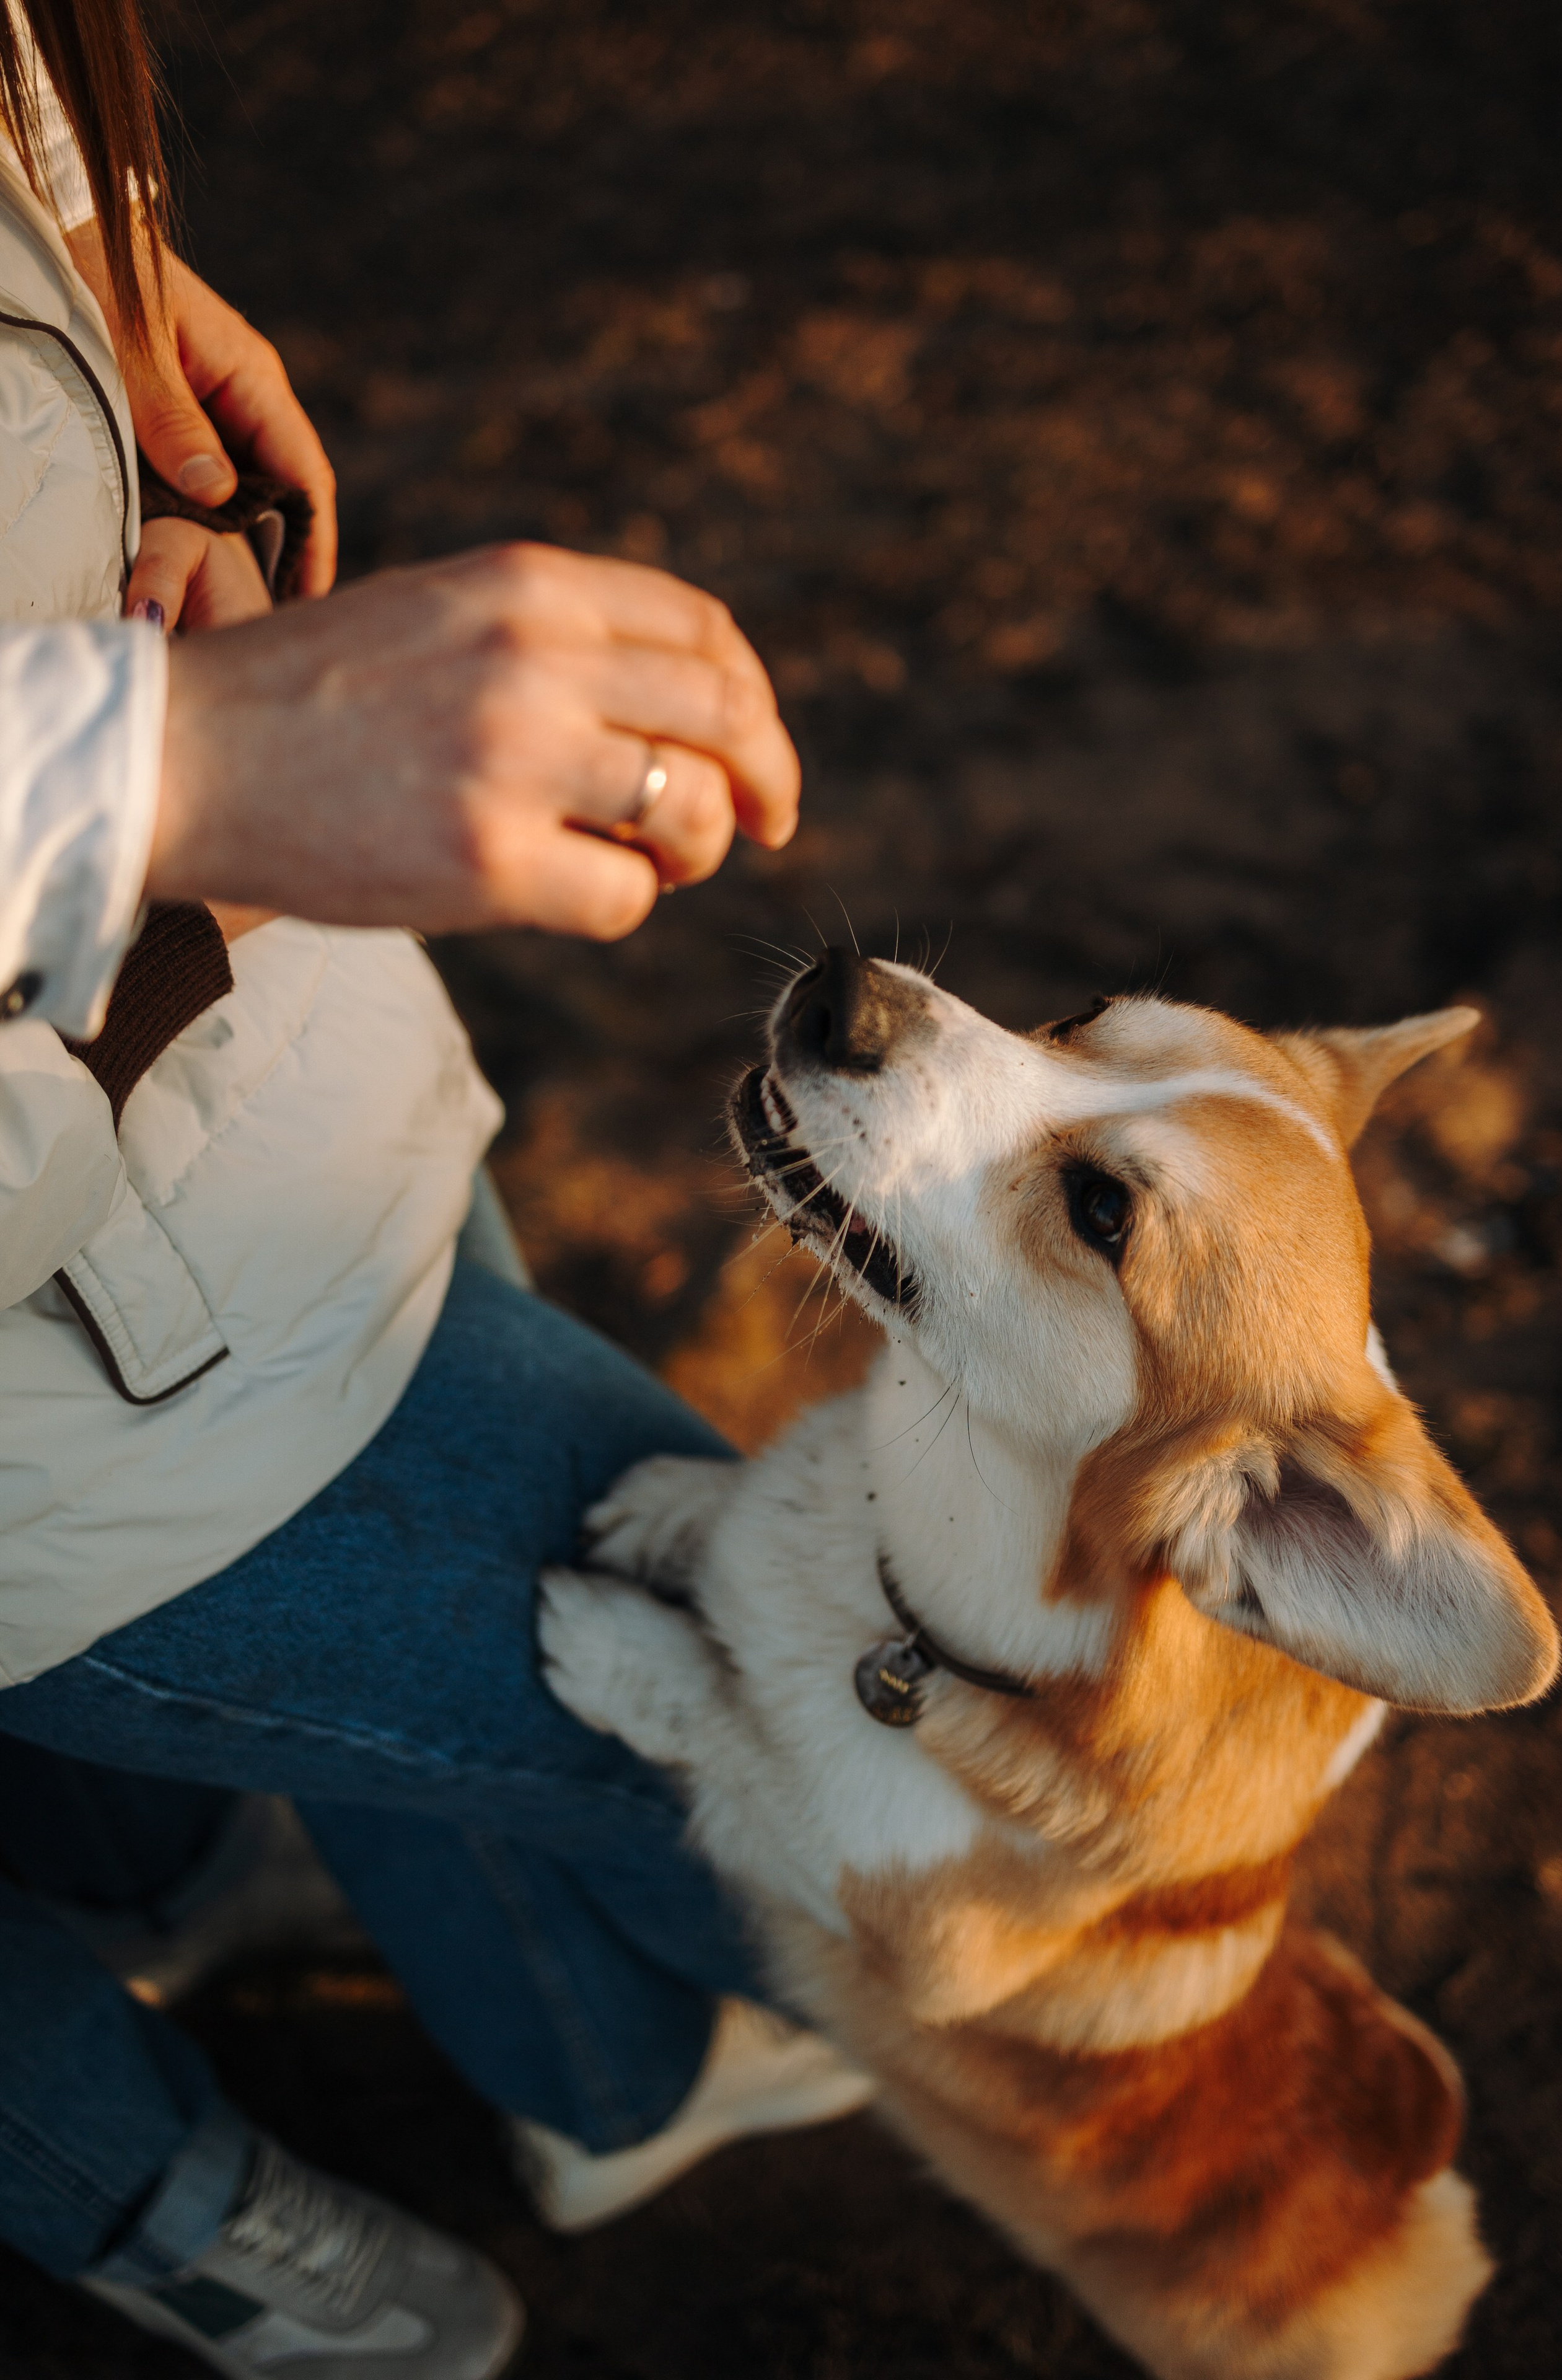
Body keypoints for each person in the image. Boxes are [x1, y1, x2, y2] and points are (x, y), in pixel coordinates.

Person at [0, 6, 870, 2376]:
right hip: (74, 1360)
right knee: (810, 1743)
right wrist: (131, 775)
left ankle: (582, 2073)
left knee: (418, 1744)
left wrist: (84, 302)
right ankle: (183, 2205)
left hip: (260, 1108)